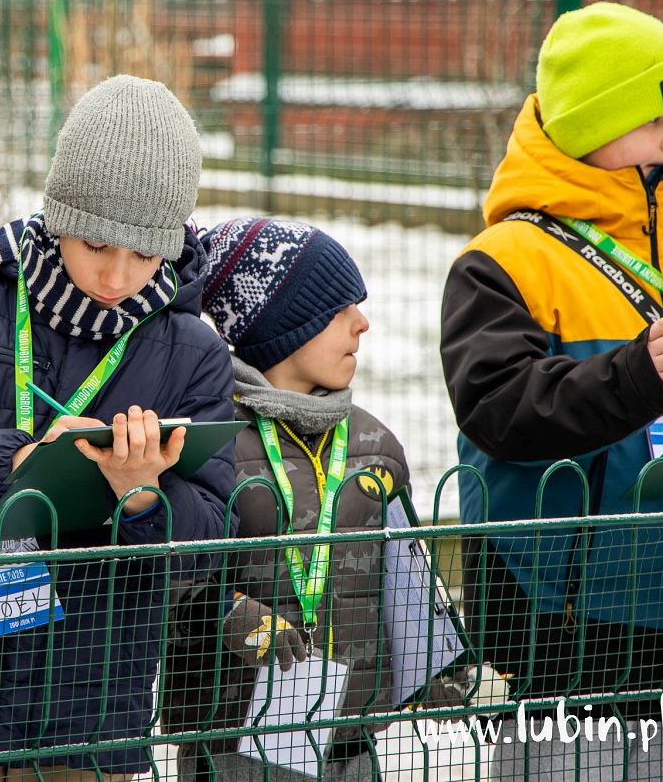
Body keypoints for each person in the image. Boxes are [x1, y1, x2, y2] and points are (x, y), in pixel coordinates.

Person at [0, 75, 236, 781]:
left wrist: (142, 497)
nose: (117, 276)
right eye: (96, 243)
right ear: (59, 214)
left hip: (90, 714)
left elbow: (210, 541)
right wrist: (15, 461)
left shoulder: (192, 350)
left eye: (145, 254)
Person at [440, 1, 663, 773]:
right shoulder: (504, 259)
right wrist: (636, 377)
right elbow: (498, 409)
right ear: (592, 126)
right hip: (566, 630)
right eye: (656, 120)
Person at [163, 217, 465, 781]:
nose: (362, 323)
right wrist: (227, 613)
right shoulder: (208, 438)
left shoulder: (374, 444)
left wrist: (436, 661)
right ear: (284, 328)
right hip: (232, 743)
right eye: (338, 310)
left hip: (352, 740)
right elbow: (164, 571)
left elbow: (407, 571)